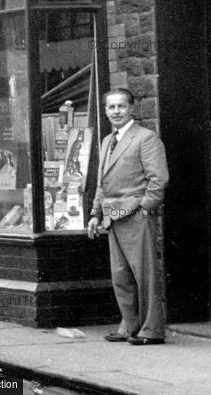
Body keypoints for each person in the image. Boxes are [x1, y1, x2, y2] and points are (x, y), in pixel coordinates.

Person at [88, 88, 169, 346]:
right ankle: (128, 326)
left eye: (121, 106)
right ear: (105, 110)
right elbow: (103, 183)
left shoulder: (146, 138)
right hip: (112, 216)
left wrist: (145, 207)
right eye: (111, 107)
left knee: (144, 275)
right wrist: (95, 213)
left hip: (136, 215)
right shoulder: (106, 141)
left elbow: (159, 178)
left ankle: (151, 330)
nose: (116, 112)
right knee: (121, 275)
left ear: (132, 108)